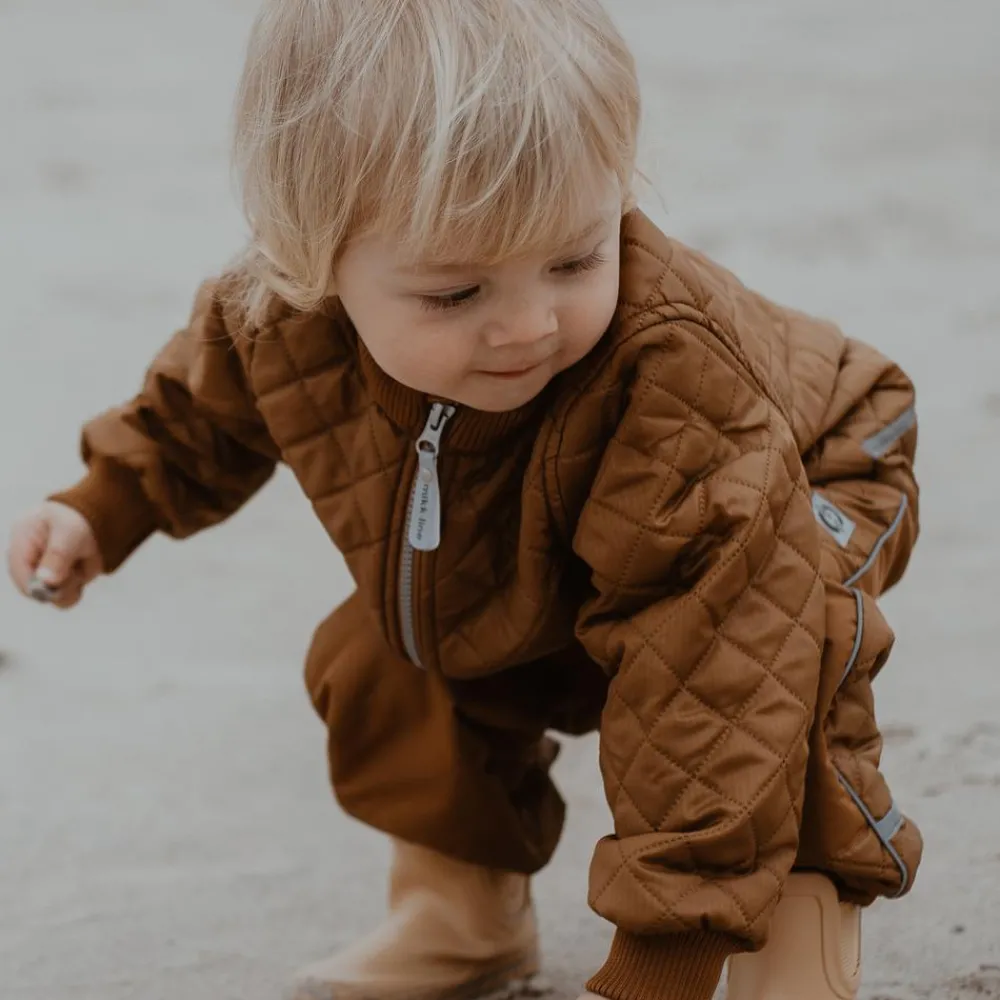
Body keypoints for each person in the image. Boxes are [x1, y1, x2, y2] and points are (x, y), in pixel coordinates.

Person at [6, 1, 923, 998]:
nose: (530, 325)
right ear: (310, 256)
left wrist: (669, 953)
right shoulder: (276, 314)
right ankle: (459, 907)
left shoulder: (669, 373)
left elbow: (713, 665)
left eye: (576, 258)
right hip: (559, 516)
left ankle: (793, 940)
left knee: (780, 643)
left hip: (813, 460)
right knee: (401, 632)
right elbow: (199, 414)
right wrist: (102, 505)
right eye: (454, 293)